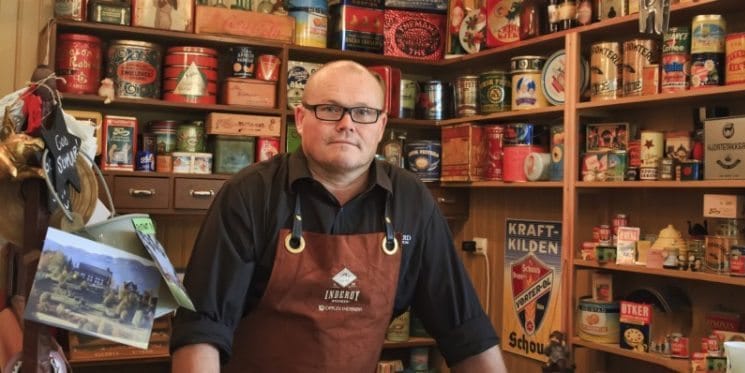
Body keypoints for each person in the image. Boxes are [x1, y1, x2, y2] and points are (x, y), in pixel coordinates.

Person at [170, 60, 507, 372]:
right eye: (330, 109)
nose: (347, 124)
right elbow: (201, 330)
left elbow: (466, 330)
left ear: (381, 126)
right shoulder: (250, 194)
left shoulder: (411, 200)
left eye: (363, 112)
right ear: (301, 119)